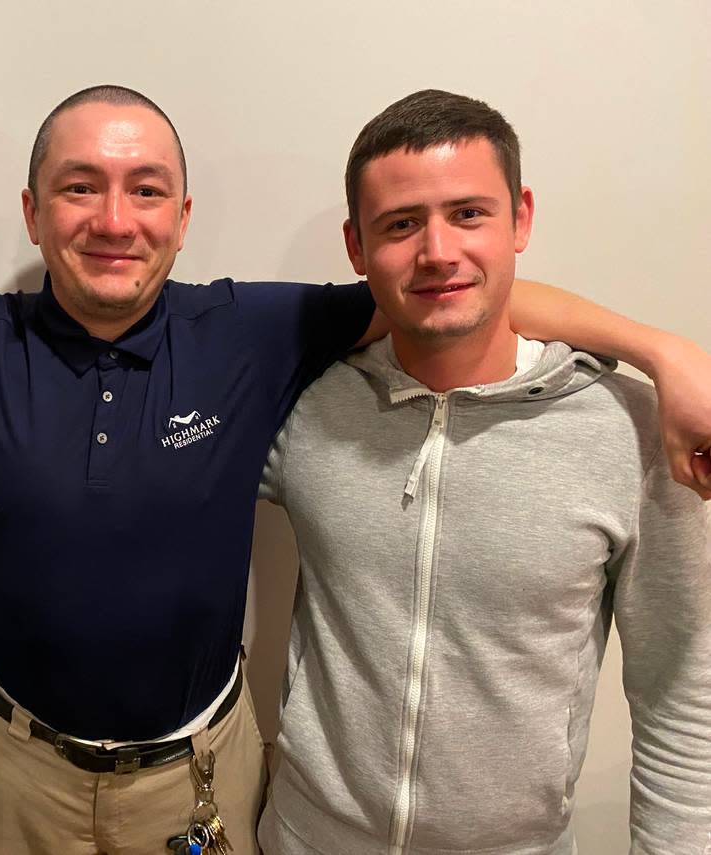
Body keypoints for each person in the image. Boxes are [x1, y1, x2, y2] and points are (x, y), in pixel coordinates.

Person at [0, 86, 710, 854]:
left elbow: (453, 286)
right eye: (79, 187)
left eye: (145, 189)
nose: (113, 219)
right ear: (34, 209)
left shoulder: (258, 333)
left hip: (204, 772)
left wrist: (663, 350)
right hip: (14, 764)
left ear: (181, 215)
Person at [258, 90, 711, 854]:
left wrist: (662, 355)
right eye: (401, 224)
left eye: (469, 213)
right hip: (305, 836)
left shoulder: (635, 432)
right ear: (356, 246)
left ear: (520, 218)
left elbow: (682, 693)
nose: (437, 250)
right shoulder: (306, 406)